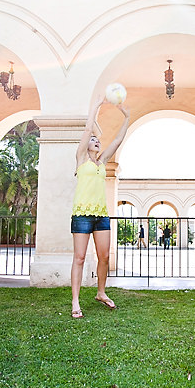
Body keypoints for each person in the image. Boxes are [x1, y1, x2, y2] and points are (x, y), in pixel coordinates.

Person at [70, 95, 130, 318]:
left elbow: (117, 140)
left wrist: (127, 117)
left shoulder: (102, 162)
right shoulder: (81, 160)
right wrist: (94, 107)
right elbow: (87, 131)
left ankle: (101, 293)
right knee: (80, 258)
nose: (96, 141)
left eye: (98, 140)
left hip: (101, 215)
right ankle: (75, 302)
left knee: (104, 257)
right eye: (93, 140)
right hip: (82, 215)